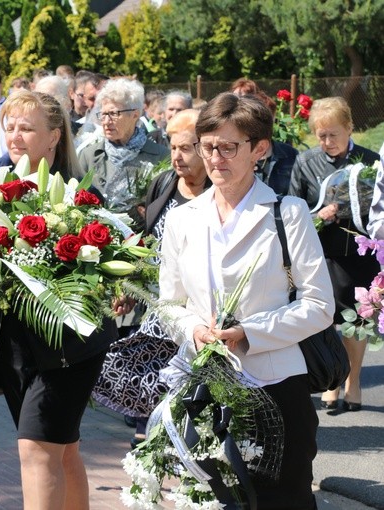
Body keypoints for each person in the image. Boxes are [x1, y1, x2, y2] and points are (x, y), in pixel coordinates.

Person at [161, 92, 334, 509]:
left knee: (283, 499)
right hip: (205, 386)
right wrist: (194, 330)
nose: (216, 158)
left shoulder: (286, 212)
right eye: (208, 146)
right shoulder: (183, 218)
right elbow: (169, 304)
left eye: (228, 147)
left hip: (276, 385)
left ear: (259, 149)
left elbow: (319, 304)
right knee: (211, 498)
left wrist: (249, 333)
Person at [0, 90, 118, 508]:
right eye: (10, 126)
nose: (15, 135)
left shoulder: (82, 198)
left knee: (37, 449)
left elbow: (98, 277)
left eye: (27, 127)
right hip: (16, 344)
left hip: (67, 345)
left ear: (54, 136)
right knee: (63, 447)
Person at [92, 109, 211, 444]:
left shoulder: (218, 192)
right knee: (146, 366)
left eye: (186, 148)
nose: (177, 156)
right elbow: (147, 240)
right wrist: (130, 286)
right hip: (161, 301)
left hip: (204, 305)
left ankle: (182, 438)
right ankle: (151, 434)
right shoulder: (164, 184)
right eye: (173, 147)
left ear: (205, 148)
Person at [288, 96, 381, 413]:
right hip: (320, 255)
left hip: (360, 255)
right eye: (321, 135)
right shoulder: (306, 161)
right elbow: (293, 208)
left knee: (358, 322)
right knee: (324, 321)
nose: (326, 142)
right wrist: (319, 216)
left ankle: (354, 382)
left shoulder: (370, 162)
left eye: (333, 134)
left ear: (350, 128)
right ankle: (332, 380)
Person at [77, 78, 169, 221]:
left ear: (135, 114)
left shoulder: (160, 156)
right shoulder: (89, 155)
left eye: (114, 114)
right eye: (103, 114)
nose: (106, 122)